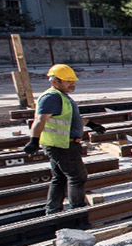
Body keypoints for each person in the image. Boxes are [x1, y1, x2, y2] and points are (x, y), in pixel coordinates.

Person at [24, 64, 88, 214]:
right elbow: (40, 120)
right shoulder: (52, 97)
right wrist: (34, 140)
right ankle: (77, 211)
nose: (72, 84)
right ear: (55, 82)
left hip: (62, 143)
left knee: (60, 178)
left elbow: (70, 118)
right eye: (68, 81)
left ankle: (53, 210)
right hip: (62, 145)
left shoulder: (62, 96)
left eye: (73, 81)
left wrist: (92, 124)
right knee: (77, 177)